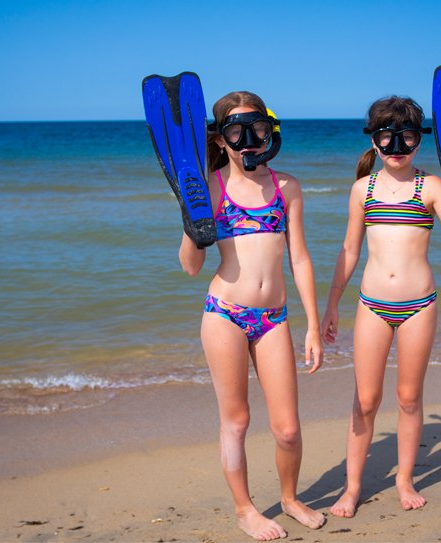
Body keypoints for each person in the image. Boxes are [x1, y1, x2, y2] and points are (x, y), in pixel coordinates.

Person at [179, 91, 326, 540]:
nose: (248, 142)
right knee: (237, 421)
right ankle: (245, 510)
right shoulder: (209, 187)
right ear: (219, 139)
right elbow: (190, 267)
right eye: (236, 133)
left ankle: (289, 498)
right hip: (224, 313)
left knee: (287, 429)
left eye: (257, 130)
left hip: (274, 319)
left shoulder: (286, 187)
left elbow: (300, 258)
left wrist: (312, 325)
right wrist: (192, 221)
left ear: (269, 132)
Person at [321, 96, 441, 517]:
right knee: (365, 399)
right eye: (387, 138)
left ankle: (404, 479)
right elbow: (349, 250)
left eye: (406, 138)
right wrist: (332, 305)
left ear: (418, 140)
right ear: (374, 141)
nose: (396, 148)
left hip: (418, 306)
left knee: (409, 397)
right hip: (372, 306)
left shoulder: (432, 187)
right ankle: (353, 487)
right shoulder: (363, 189)